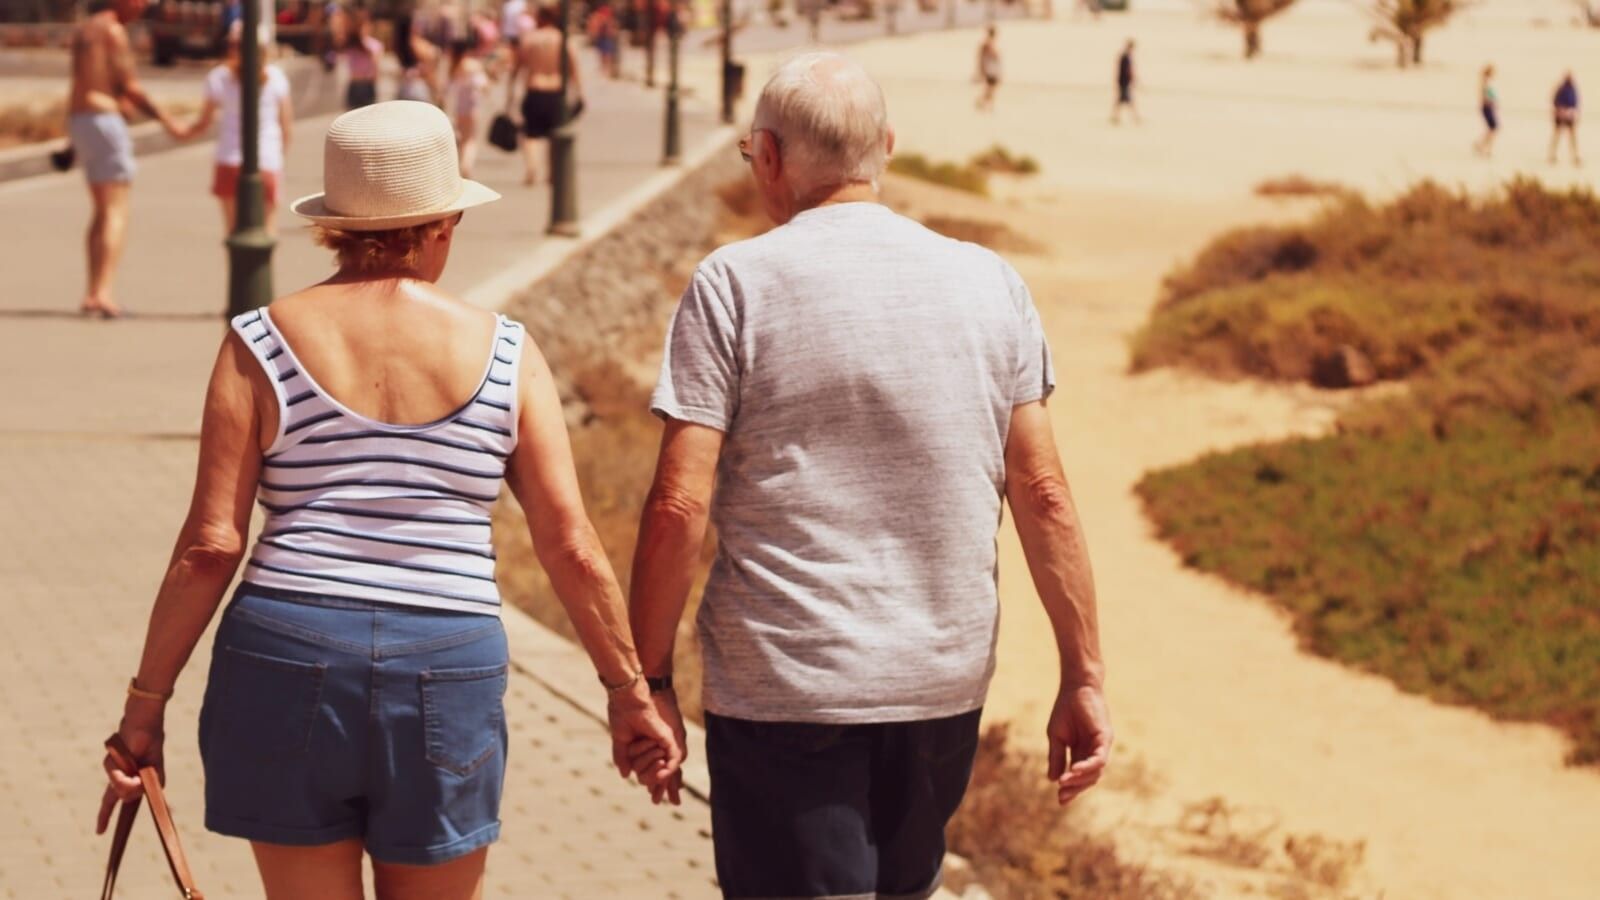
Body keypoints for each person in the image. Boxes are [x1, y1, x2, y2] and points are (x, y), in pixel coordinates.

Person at [95, 101, 684, 900]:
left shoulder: (258, 341)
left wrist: (144, 707)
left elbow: (211, 545)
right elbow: (571, 545)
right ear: (442, 223)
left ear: (333, 226)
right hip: (446, 661)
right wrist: (628, 692)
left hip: (286, 648)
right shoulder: (508, 353)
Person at [628, 52, 1112, 899]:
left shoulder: (734, 283)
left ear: (768, 157)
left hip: (789, 686)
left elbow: (678, 503)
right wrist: (1084, 676)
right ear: (886, 146)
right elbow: (1043, 495)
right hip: (941, 683)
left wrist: (648, 681)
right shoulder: (991, 282)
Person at [67, 0, 180, 318]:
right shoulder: (114, 31)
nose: (144, 6)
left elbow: (79, 83)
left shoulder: (84, 29)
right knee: (116, 209)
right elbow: (132, 86)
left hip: (81, 120)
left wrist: (70, 139)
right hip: (104, 120)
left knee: (101, 211)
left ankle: (93, 290)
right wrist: (168, 120)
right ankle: (103, 292)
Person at [175, 23, 294, 237]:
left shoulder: (218, 77)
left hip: (229, 158)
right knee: (267, 230)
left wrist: (182, 132)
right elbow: (286, 126)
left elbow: (203, 122)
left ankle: (239, 270)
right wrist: (279, 157)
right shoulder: (276, 77)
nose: (233, 49)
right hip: (266, 160)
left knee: (233, 230)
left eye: (236, 45)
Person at [509, 4, 583, 186]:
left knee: (530, 134)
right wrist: (580, 92)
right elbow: (574, 69)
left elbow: (518, 67)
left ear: (540, 18)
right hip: (556, 92)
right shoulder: (563, 39)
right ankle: (551, 174)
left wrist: (510, 93)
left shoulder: (530, 39)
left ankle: (532, 168)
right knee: (553, 134)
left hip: (535, 89)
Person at [447, 38, 488, 177]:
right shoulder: (473, 65)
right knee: (471, 139)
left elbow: (449, 89)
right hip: (473, 107)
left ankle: (462, 163)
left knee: (462, 139)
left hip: (459, 108)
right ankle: (466, 165)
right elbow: (482, 85)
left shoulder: (455, 66)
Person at [339, 14, 383, 109]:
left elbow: (375, 66)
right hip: (358, 84)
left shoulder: (372, 45)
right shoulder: (353, 44)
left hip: (364, 84)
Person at [1551, 70, 1581, 166]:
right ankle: (1553, 155)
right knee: (1558, 136)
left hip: (1569, 115)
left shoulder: (1572, 89)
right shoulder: (1563, 89)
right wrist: (1560, 110)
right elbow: (1556, 101)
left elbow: (1575, 102)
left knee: (1570, 137)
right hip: (1561, 114)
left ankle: (1575, 156)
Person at [1112, 38, 1139, 125]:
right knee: (1128, 100)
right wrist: (1133, 79)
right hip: (1124, 81)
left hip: (1122, 81)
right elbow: (1127, 70)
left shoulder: (1124, 56)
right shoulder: (1125, 57)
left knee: (1121, 100)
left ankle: (1116, 117)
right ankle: (1134, 117)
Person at [1474, 64, 1498, 158]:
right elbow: (1484, 96)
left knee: (1492, 129)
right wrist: (1490, 103)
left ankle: (1482, 146)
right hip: (1487, 107)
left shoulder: (1486, 82)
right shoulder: (1485, 83)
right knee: (1493, 129)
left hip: (1488, 107)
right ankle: (1484, 148)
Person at [976, 25, 1000, 112]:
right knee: (990, 88)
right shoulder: (987, 44)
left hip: (992, 69)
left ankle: (985, 104)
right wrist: (981, 69)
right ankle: (985, 104)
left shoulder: (990, 43)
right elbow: (981, 57)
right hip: (990, 69)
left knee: (990, 88)